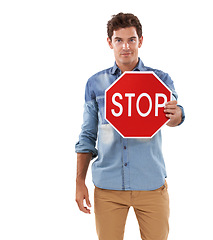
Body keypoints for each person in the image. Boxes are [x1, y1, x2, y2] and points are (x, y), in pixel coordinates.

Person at [75, 12, 185, 240]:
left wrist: (177, 115)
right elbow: (87, 135)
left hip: (151, 184)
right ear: (110, 42)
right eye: (119, 40)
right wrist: (79, 181)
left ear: (140, 41)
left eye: (132, 39)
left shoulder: (160, 80)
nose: (126, 46)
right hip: (108, 188)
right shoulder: (96, 84)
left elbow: (176, 114)